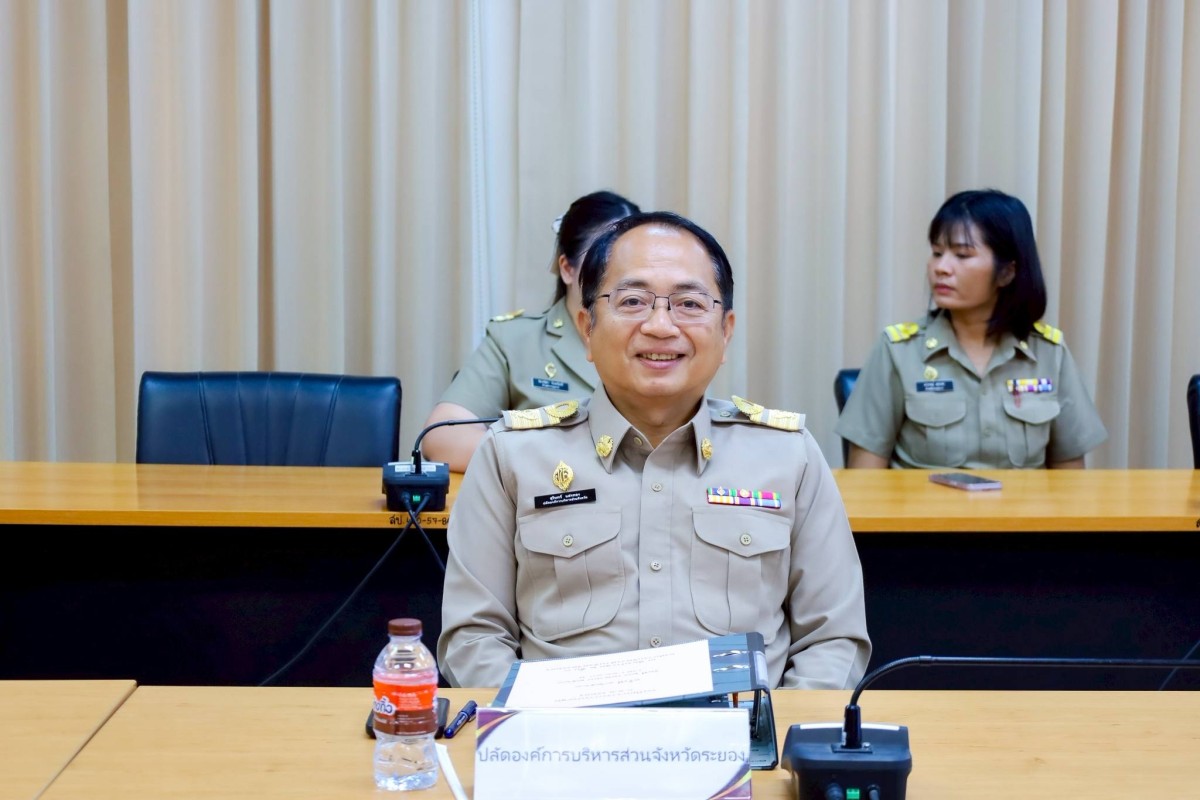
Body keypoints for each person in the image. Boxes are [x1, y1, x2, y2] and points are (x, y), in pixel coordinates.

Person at [438, 211, 871, 690]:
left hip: (739, 734)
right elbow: (474, 637)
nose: (661, 326)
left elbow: (832, 639)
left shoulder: (787, 457)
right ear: (586, 327)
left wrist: (772, 729)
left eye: (689, 303)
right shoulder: (513, 457)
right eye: (633, 301)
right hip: (563, 733)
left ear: (726, 331)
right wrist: (532, 725)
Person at [836, 188, 1107, 469]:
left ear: (1007, 272)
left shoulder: (1049, 352)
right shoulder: (898, 350)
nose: (941, 268)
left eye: (962, 255)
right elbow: (865, 478)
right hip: (927, 500)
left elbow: (1070, 480)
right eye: (937, 253)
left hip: (1023, 501)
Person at [421, 190, 641, 471]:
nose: (620, 278)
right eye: (603, 262)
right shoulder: (515, 341)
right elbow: (443, 438)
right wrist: (552, 460)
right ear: (567, 269)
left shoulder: (663, 340)